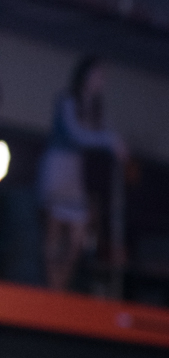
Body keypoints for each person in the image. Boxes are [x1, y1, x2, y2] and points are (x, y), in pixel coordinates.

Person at [38, 55, 127, 290]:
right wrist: (109, 140)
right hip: (57, 165)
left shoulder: (96, 109)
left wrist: (116, 144)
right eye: (97, 75)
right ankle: (52, 286)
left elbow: (104, 133)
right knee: (55, 229)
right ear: (85, 75)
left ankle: (60, 285)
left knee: (78, 233)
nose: (101, 81)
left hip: (75, 170)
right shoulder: (67, 100)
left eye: (103, 77)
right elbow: (76, 134)